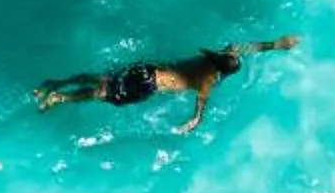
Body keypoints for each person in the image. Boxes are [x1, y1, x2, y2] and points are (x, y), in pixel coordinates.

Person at [36, 34, 298, 132]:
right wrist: (195, 121)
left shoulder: (220, 54)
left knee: (103, 79)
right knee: (103, 94)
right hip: (149, 83)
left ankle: (56, 83)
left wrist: (277, 44)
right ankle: (61, 98)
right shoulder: (209, 79)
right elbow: (200, 105)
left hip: (146, 67)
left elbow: (248, 47)